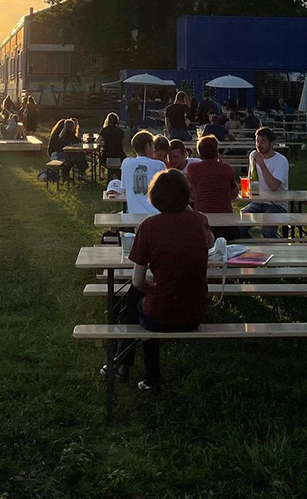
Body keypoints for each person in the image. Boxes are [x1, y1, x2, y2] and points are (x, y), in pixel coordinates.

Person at [101, 168, 214, 393]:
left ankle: (133, 370)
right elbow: (210, 243)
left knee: (136, 302)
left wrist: (152, 287)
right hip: (196, 311)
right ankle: (125, 366)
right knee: (145, 301)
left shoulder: (149, 227)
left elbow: (137, 280)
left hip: (162, 313)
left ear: (155, 197)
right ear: (186, 194)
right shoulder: (200, 221)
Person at [186, 133, 238, 227]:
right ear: (216, 151)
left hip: (202, 218)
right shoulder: (226, 168)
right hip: (225, 219)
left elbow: (191, 191)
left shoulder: (192, 168)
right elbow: (234, 193)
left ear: (199, 152)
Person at [245, 127, 289, 238]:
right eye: (257, 141)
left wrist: (261, 164)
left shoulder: (281, 161)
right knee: (238, 226)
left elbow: (274, 186)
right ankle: (251, 248)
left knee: (268, 232)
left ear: (272, 143)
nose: (259, 145)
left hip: (276, 203)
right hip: (257, 201)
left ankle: (276, 250)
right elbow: (251, 178)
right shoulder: (253, 155)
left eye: (263, 141)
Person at [120, 131, 168, 215]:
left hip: (134, 214)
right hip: (156, 214)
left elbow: (124, 188)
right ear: (147, 146)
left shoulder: (126, 163)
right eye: (153, 145)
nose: (154, 149)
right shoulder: (159, 165)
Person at [99, 113, 126, 179]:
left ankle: (103, 173)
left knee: (99, 160)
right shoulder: (120, 131)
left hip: (107, 154)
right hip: (120, 155)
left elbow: (98, 141)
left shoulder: (104, 130)